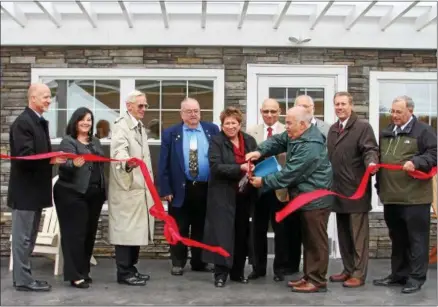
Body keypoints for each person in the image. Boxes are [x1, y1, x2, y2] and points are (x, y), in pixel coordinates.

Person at [247, 106, 333, 293]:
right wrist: (259, 151)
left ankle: (317, 280)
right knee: (308, 240)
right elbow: (278, 141)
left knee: (316, 241)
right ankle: (309, 276)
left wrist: (264, 181)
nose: (285, 126)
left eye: (288, 123)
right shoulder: (297, 134)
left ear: (302, 124)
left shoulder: (311, 144)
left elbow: (290, 173)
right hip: (303, 198)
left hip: (314, 200)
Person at [373, 95, 437, 294]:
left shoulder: (424, 131)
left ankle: (416, 278)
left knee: (417, 239)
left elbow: (434, 154)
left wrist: (416, 162)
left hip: (415, 199)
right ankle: (398, 274)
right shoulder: (386, 132)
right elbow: (381, 156)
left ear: (410, 110)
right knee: (398, 238)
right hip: (391, 197)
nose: (394, 115)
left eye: (398, 111)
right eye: (392, 111)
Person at [8, 83, 66, 292]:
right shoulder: (23, 123)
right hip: (24, 193)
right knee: (23, 238)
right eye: (45, 97)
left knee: (29, 237)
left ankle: (25, 278)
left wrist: (52, 157)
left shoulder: (38, 122)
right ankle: (23, 280)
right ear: (33, 98)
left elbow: (39, 152)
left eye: (49, 97)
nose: (49, 100)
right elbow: (25, 156)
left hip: (34, 192)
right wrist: (50, 160)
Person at [159, 97, 219, 276]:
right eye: (189, 111)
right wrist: (166, 189)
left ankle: (199, 262)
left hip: (205, 187)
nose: (193, 114)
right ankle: (178, 262)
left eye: (196, 111)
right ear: (181, 113)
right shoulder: (171, 133)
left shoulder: (212, 130)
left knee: (201, 227)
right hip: (180, 188)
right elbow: (163, 163)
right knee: (179, 227)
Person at [326, 91, 379, 288]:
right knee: (343, 234)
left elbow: (370, 150)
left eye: (343, 104)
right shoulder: (333, 129)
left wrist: (372, 163)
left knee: (358, 236)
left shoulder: (362, 127)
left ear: (351, 105)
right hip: (337, 190)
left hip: (356, 190)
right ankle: (347, 269)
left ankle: (358, 273)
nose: (340, 107)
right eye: (337, 104)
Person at [202, 107, 258, 288]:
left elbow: (257, 160)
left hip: (244, 194)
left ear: (240, 124)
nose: (231, 126)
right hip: (222, 195)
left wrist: (255, 169)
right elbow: (215, 167)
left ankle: (238, 272)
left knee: (241, 234)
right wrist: (239, 167)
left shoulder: (249, 140)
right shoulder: (216, 141)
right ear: (222, 124)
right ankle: (221, 274)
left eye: (234, 122)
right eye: (227, 123)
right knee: (222, 235)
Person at [246, 98, 300, 282]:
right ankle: (258, 268)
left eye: (273, 111)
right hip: (258, 188)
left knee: (281, 231)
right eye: (266, 111)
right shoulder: (252, 131)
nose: (269, 115)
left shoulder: (289, 131)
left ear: (280, 112)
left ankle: (280, 268)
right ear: (261, 111)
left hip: (279, 188)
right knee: (257, 230)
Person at [53, 107, 106, 289]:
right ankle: (74, 275)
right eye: (82, 119)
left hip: (94, 194)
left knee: (89, 235)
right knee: (75, 235)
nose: (86, 123)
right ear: (75, 122)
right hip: (72, 194)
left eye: (89, 120)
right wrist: (72, 164)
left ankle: (84, 271)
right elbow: (63, 165)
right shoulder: (68, 142)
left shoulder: (96, 142)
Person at [108, 90, 155, 286]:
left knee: (135, 231)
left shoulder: (139, 127)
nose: (143, 109)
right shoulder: (121, 127)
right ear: (129, 106)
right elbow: (119, 150)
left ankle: (132, 268)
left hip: (140, 189)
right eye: (140, 106)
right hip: (127, 188)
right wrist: (126, 163)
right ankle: (124, 272)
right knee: (126, 232)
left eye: (145, 106)